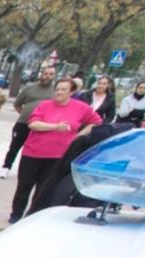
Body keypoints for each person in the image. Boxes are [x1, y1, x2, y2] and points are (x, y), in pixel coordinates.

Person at [9, 77, 101, 223]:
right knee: (24, 185)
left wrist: (78, 136)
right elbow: (33, 124)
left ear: (71, 92)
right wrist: (55, 127)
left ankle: (32, 215)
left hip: (57, 156)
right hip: (33, 152)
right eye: (57, 89)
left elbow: (96, 122)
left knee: (43, 188)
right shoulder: (44, 105)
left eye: (63, 89)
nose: (59, 92)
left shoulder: (81, 107)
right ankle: (16, 214)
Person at [1, 64, 55, 178]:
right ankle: (6, 167)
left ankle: (27, 171)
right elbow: (17, 104)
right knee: (15, 146)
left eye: (51, 74)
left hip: (42, 126)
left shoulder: (55, 90)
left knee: (33, 149)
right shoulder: (30, 88)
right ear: (41, 74)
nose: (47, 76)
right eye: (45, 74)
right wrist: (26, 114)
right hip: (23, 123)